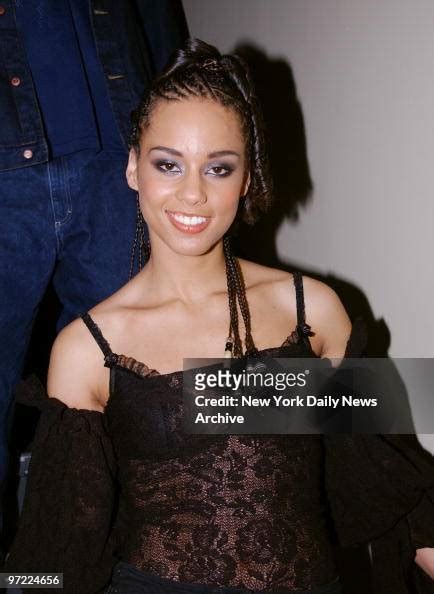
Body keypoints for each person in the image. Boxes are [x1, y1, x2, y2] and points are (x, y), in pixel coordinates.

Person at [4, 39, 434, 594]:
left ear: (247, 178)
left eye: (219, 168)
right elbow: (58, 551)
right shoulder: (88, 348)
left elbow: (393, 485)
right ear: (134, 168)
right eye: (168, 164)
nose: (192, 194)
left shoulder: (313, 310)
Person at [0, 0, 188, 515]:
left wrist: (174, 126)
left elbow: (157, 22)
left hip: (116, 155)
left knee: (124, 384)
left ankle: (73, 562)